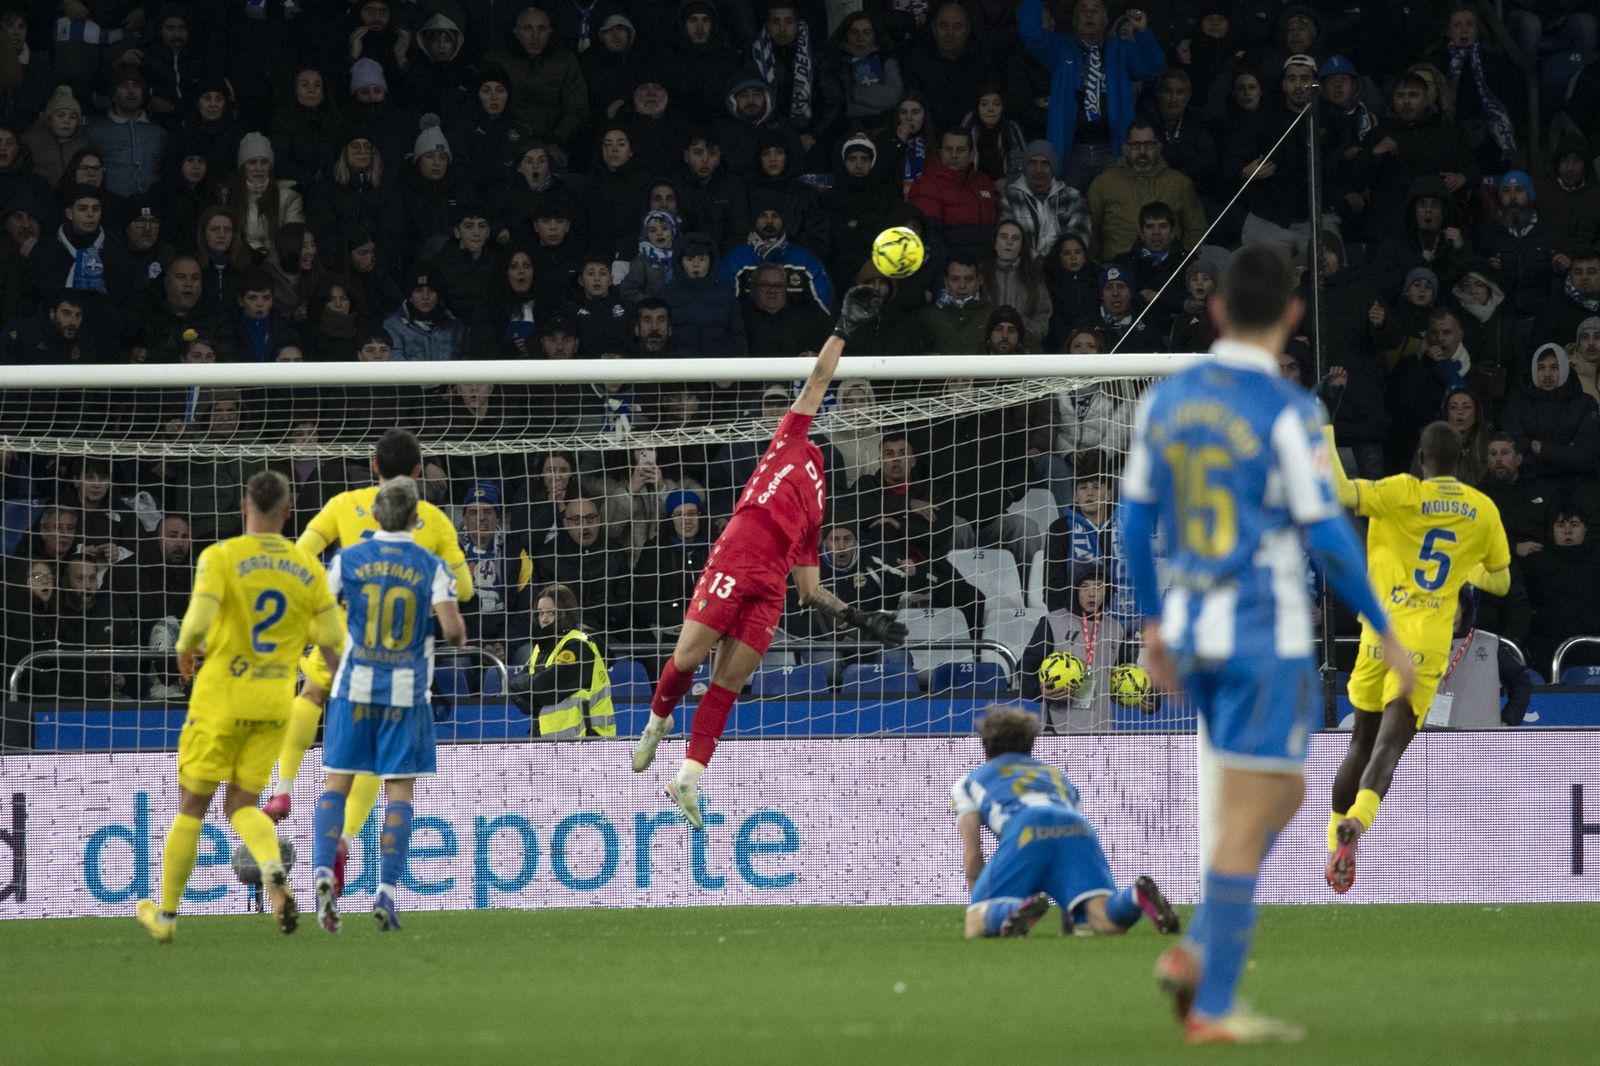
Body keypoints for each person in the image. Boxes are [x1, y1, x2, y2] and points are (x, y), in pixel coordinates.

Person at [1120, 245, 1413, 1042]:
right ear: (1292, 316)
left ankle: (1202, 954)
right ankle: (1209, 994)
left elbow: (1135, 523)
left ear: (1215, 311)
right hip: (1264, 636)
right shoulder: (1290, 411)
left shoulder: (1166, 402)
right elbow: (1326, 534)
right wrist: (1382, 628)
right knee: (1257, 807)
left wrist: (1150, 625)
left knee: (1275, 796)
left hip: (1191, 630)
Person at [632, 285, 908, 829]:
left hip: (772, 583)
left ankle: (687, 778)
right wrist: (842, 329)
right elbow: (820, 381)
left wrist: (856, 616)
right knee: (688, 660)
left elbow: (809, 590)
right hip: (739, 551)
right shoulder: (788, 439)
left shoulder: (818, 504)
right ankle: (658, 721)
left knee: (729, 683)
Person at [263, 430, 474, 900]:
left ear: (373, 468)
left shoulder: (343, 504)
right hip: (401, 663)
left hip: (345, 643)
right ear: (419, 473)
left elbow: (299, 557)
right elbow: (463, 594)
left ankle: (284, 785)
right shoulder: (434, 521)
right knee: (385, 770)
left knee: (311, 698)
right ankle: (351, 843)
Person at [135, 471, 344, 943]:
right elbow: (334, 645)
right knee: (243, 804)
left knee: (193, 805)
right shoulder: (307, 568)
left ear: (243, 508)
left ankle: (165, 917)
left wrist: (185, 654)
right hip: (274, 705)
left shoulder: (222, 557)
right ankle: (272, 869)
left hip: (222, 699)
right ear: (288, 513)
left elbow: (193, 627)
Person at [1323, 420, 1511, 892]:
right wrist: (1465, 568)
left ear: (1422, 456)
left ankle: (1333, 843)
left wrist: (1326, 423)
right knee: (1391, 743)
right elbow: (1503, 581)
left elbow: (1340, 488)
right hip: (1426, 643)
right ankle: (1359, 826)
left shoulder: (1400, 492)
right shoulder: (1481, 508)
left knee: (1359, 742)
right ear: (1461, 456)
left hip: (1378, 634)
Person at [312, 476, 466, 933]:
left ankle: (323, 872)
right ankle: (387, 894)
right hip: (406, 694)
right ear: (417, 520)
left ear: (376, 516)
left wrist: (335, 660)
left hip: (353, 687)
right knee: (398, 791)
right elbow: (455, 630)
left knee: (337, 783)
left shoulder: (348, 559)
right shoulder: (431, 565)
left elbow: (318, 616)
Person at [951, 705, 1179, 939]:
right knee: (1105, 921)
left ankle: (1012, 911)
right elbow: (1064, 839)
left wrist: (978, 904)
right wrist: (1069, 914)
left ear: (985, 746)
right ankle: (1134, 896)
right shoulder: (1055, 775)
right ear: (1031, 744)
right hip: (1077, 827)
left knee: (976, 924)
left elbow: (973, 852)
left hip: (1026, 827)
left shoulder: (970, 782)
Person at [510, 582, 616, 739]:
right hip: (548, 740)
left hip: (588, 741)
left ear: (565, 613)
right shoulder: (540, 648)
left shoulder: (579, 646)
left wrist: (529, 689)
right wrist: (534, 695)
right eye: (540, 613)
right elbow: (516, 691)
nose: (544, 619)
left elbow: (546, 687)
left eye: (551, 613)